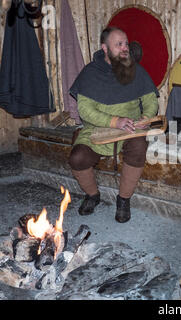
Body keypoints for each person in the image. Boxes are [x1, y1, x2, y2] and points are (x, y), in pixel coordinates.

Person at [68, 27, 159, 223]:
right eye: (119, 44)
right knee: (77, 157)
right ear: (105, 48)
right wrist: (114, 121)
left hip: (130, 128)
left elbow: (151, 99)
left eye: (126, 43)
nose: (125, 48)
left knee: (138, 146)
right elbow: (85, 111)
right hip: (98, 128)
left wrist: (146, 116)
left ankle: (123, 199)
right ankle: (93, 195)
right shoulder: (90, 73)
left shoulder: (136, 69)